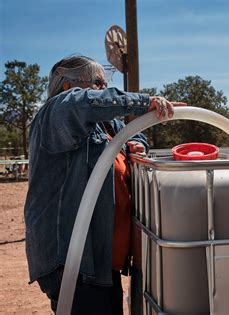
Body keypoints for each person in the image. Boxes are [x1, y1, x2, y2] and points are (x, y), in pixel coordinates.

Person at [24, 55, 182, 314]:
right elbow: (82, 102)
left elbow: (132, 132)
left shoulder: (105, 124)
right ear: (68, 86)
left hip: (100, 259)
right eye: (97, 82)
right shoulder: (57, 112)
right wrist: (144, 102)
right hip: (74, 260)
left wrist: (138, 142)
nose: (104, 89)